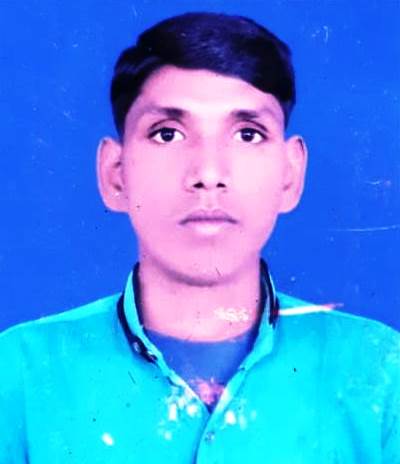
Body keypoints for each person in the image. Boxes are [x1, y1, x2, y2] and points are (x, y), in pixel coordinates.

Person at [1, 11, 399, 463]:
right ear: (115, 174)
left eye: (247, 134)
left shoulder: (381, 372)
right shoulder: (17, 373)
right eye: (167, 134)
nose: (208, 173)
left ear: (290, 175)